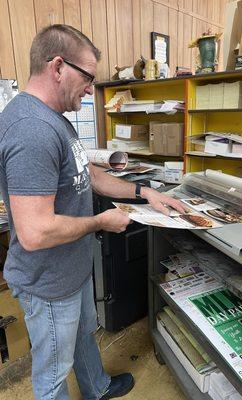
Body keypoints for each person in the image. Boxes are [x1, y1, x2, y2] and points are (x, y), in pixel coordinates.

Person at [0, 24, 186, 400]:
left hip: (73, 267)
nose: (90, 88)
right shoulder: (31, 129)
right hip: (48, 281)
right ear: (57, 67)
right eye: (87, 77)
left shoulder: (56, 119)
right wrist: (101, 222)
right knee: (53, 373)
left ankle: (96, 387)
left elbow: (91, 176)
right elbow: (35, 232)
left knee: (85, 334)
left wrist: (143, 191)